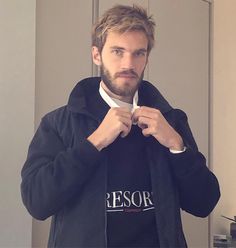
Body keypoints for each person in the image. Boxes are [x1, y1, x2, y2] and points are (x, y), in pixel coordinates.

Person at [21, 4, 220, 248]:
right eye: (117, 51)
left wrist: (177, 147)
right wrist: (94, 143)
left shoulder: (172, 121)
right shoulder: (58, 123)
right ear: (97, 55)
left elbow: (204, 204)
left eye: (139, 53)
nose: (129, 63)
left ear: (147, 57)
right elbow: (37, 202)